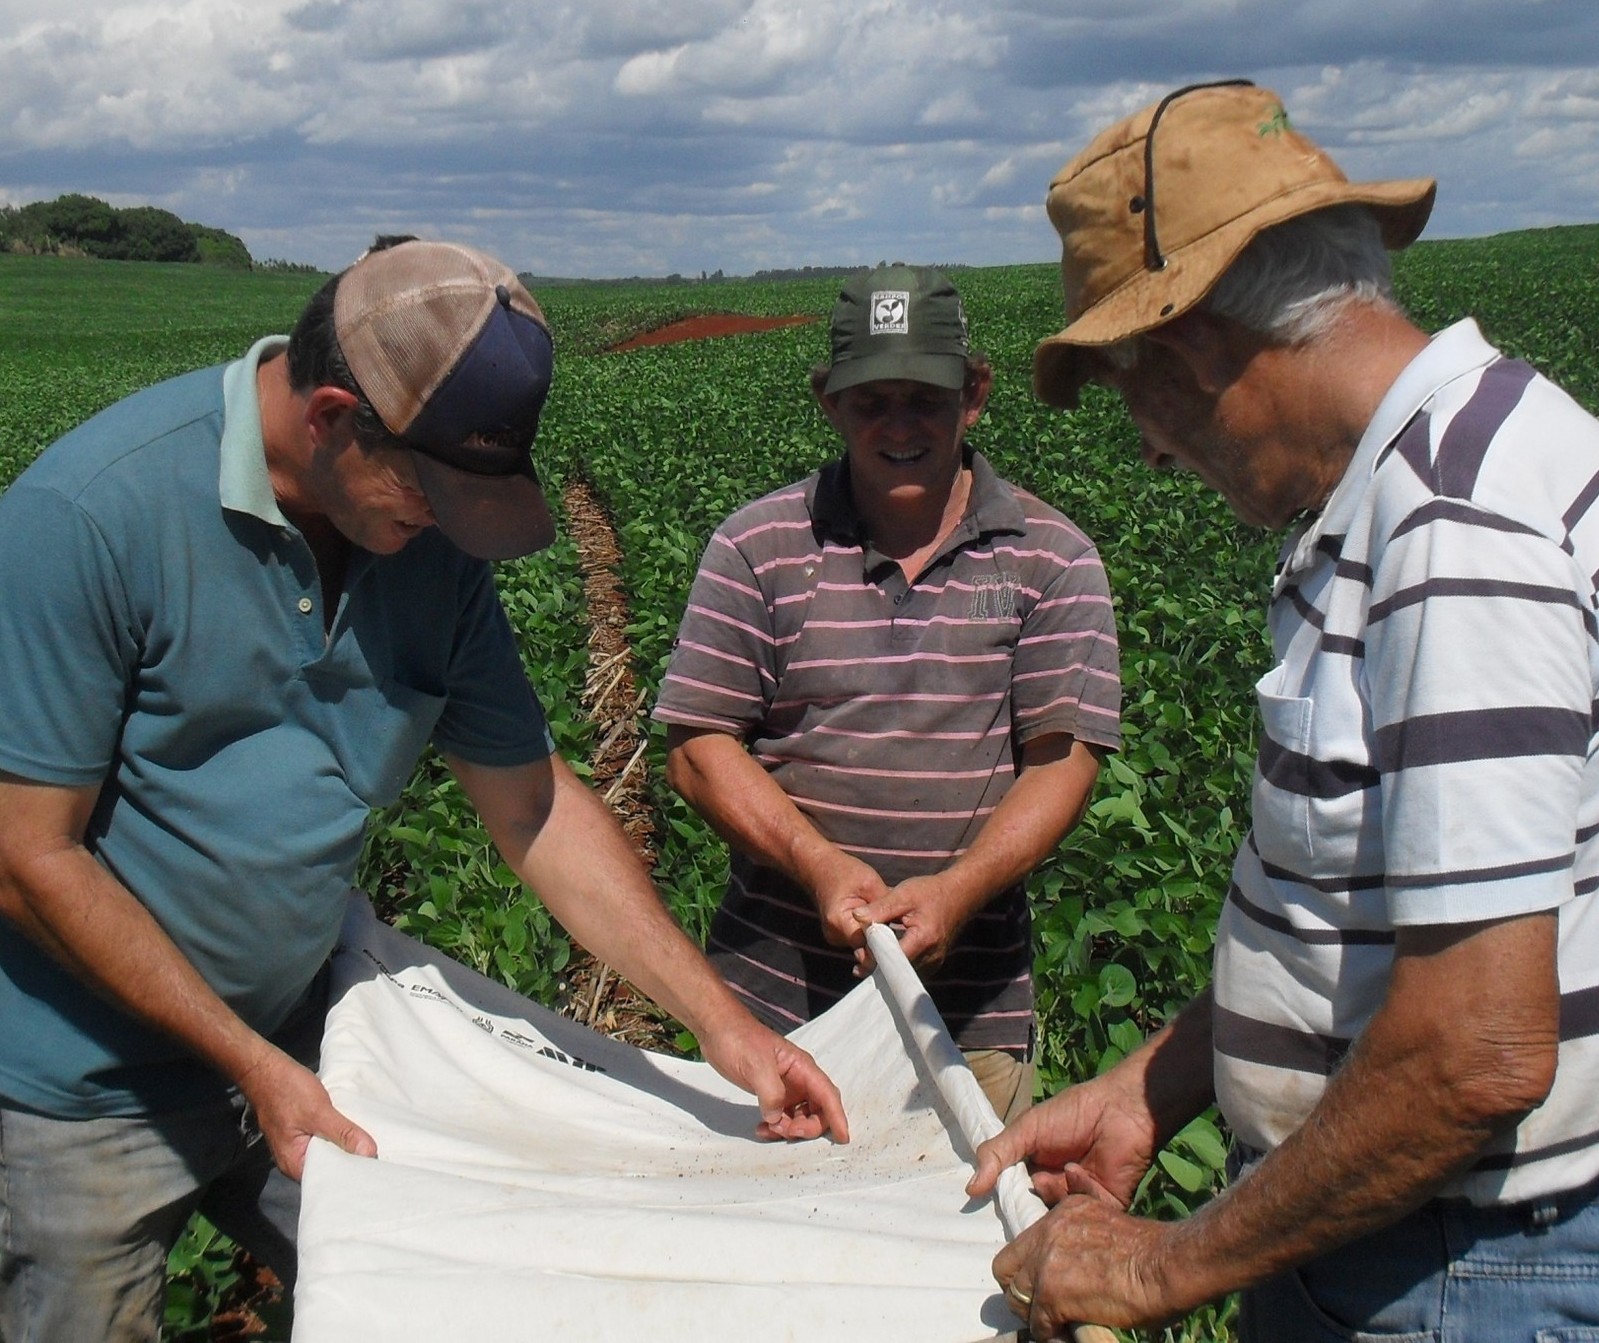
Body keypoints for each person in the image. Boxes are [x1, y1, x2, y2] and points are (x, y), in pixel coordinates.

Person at [0, 237, 847, 1343]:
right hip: (82, 1095)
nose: (447, 525)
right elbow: (29, 855)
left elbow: (531, 804)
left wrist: (726, 1031)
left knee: (435, 1297)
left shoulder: (424, 547)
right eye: (430, 489)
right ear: (336, 415)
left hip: (301, 1036)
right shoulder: (92, 517)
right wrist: (248, 1061)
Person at [967, 80, 1599, 1340]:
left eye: (1131, 392)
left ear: (1192, 343)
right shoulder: (1452, 465)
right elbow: (1376, 920)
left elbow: (1477, 1049)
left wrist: (1161, 1268)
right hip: (1415, 1247)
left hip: (1452, 1273)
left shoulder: (1452, 534)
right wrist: (1159, 1083)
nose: (1150, 451)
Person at [653, 264, 1122, 1123]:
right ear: (828, 400)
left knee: (962, 1249)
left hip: (969, 1016)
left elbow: (1062, 760)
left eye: (925, 398)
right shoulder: (756, 545)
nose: (898, 426)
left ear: (973, 394)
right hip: (772, 1011)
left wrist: (961, 887)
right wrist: (817, 862)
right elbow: (697, 750)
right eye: (871, 401)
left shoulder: (1051, 557)